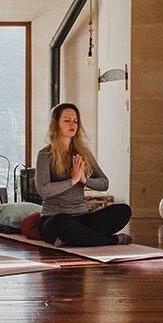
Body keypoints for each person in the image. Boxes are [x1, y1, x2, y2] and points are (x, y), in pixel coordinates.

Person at [35, 103, 133, 247]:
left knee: (123, 210)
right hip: (54, 219)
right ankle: (111, 240)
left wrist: (85, 180)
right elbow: (43, 190)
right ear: (56, 124)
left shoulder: (83, 153)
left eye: (75, 121)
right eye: (67, 120)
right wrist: (73, 180)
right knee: (63, 221)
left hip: (82, 217)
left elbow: (104, 183)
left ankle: (74, 238)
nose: (72, 124)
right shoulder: (45, 155)